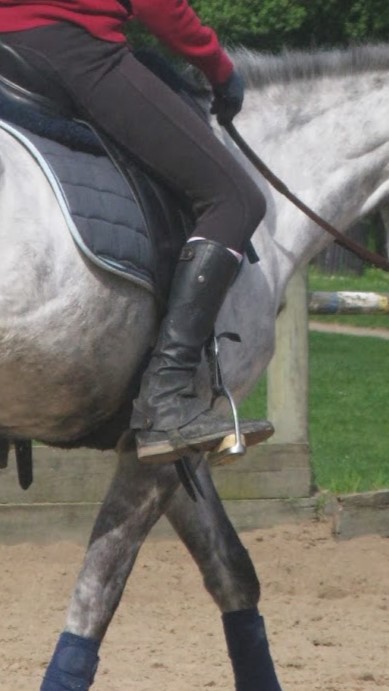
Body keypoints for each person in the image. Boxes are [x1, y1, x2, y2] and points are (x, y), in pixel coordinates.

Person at [0, 0, 270, 463]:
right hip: (75, 49)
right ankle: (167, 398)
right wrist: (218, 67)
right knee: (236, 199)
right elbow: (159, 8)